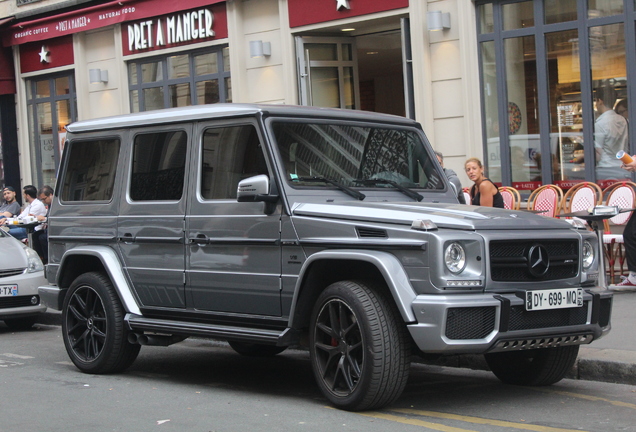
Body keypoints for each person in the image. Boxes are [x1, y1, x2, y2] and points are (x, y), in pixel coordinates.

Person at [593, 86, 629, 179]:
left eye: (596, 101)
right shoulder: (623, 120)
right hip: (623, 167)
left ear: (600, 101)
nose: (596, 105)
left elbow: (598, 155)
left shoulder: (600, 123)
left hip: (606, 170)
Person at [31, 185, 53, 263]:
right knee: (36, 235)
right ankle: (41, 257)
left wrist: (44, 219)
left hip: (55, 229)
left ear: (51, 195)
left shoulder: (55, 205)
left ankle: (47, 259)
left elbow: (53, 218)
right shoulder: (50, 205)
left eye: (44, 199)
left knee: (42, 237)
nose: (43, 202)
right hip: (50, 228)